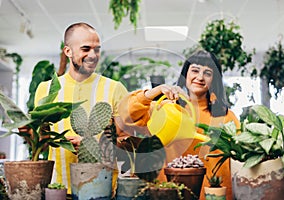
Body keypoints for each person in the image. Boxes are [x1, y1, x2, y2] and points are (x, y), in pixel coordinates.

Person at [118, 50, 240, 200]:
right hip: (168, 193)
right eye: (195, 70)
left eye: (207, 73)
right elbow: (126, 114)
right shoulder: (167, 109)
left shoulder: (226, 116)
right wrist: (156, 91)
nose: (200, 77)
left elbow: (239, 157)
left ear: (214, 79)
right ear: (185, 74)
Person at [34, 22, 130, 195]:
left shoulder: (115, 88)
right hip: (58, 189)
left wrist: (94, 146)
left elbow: (128, 141)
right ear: (68, 51)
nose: (93, 55)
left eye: (97, 49)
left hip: (103, 189)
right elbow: (41, 138)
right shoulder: (46, 89)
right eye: (86, 49)